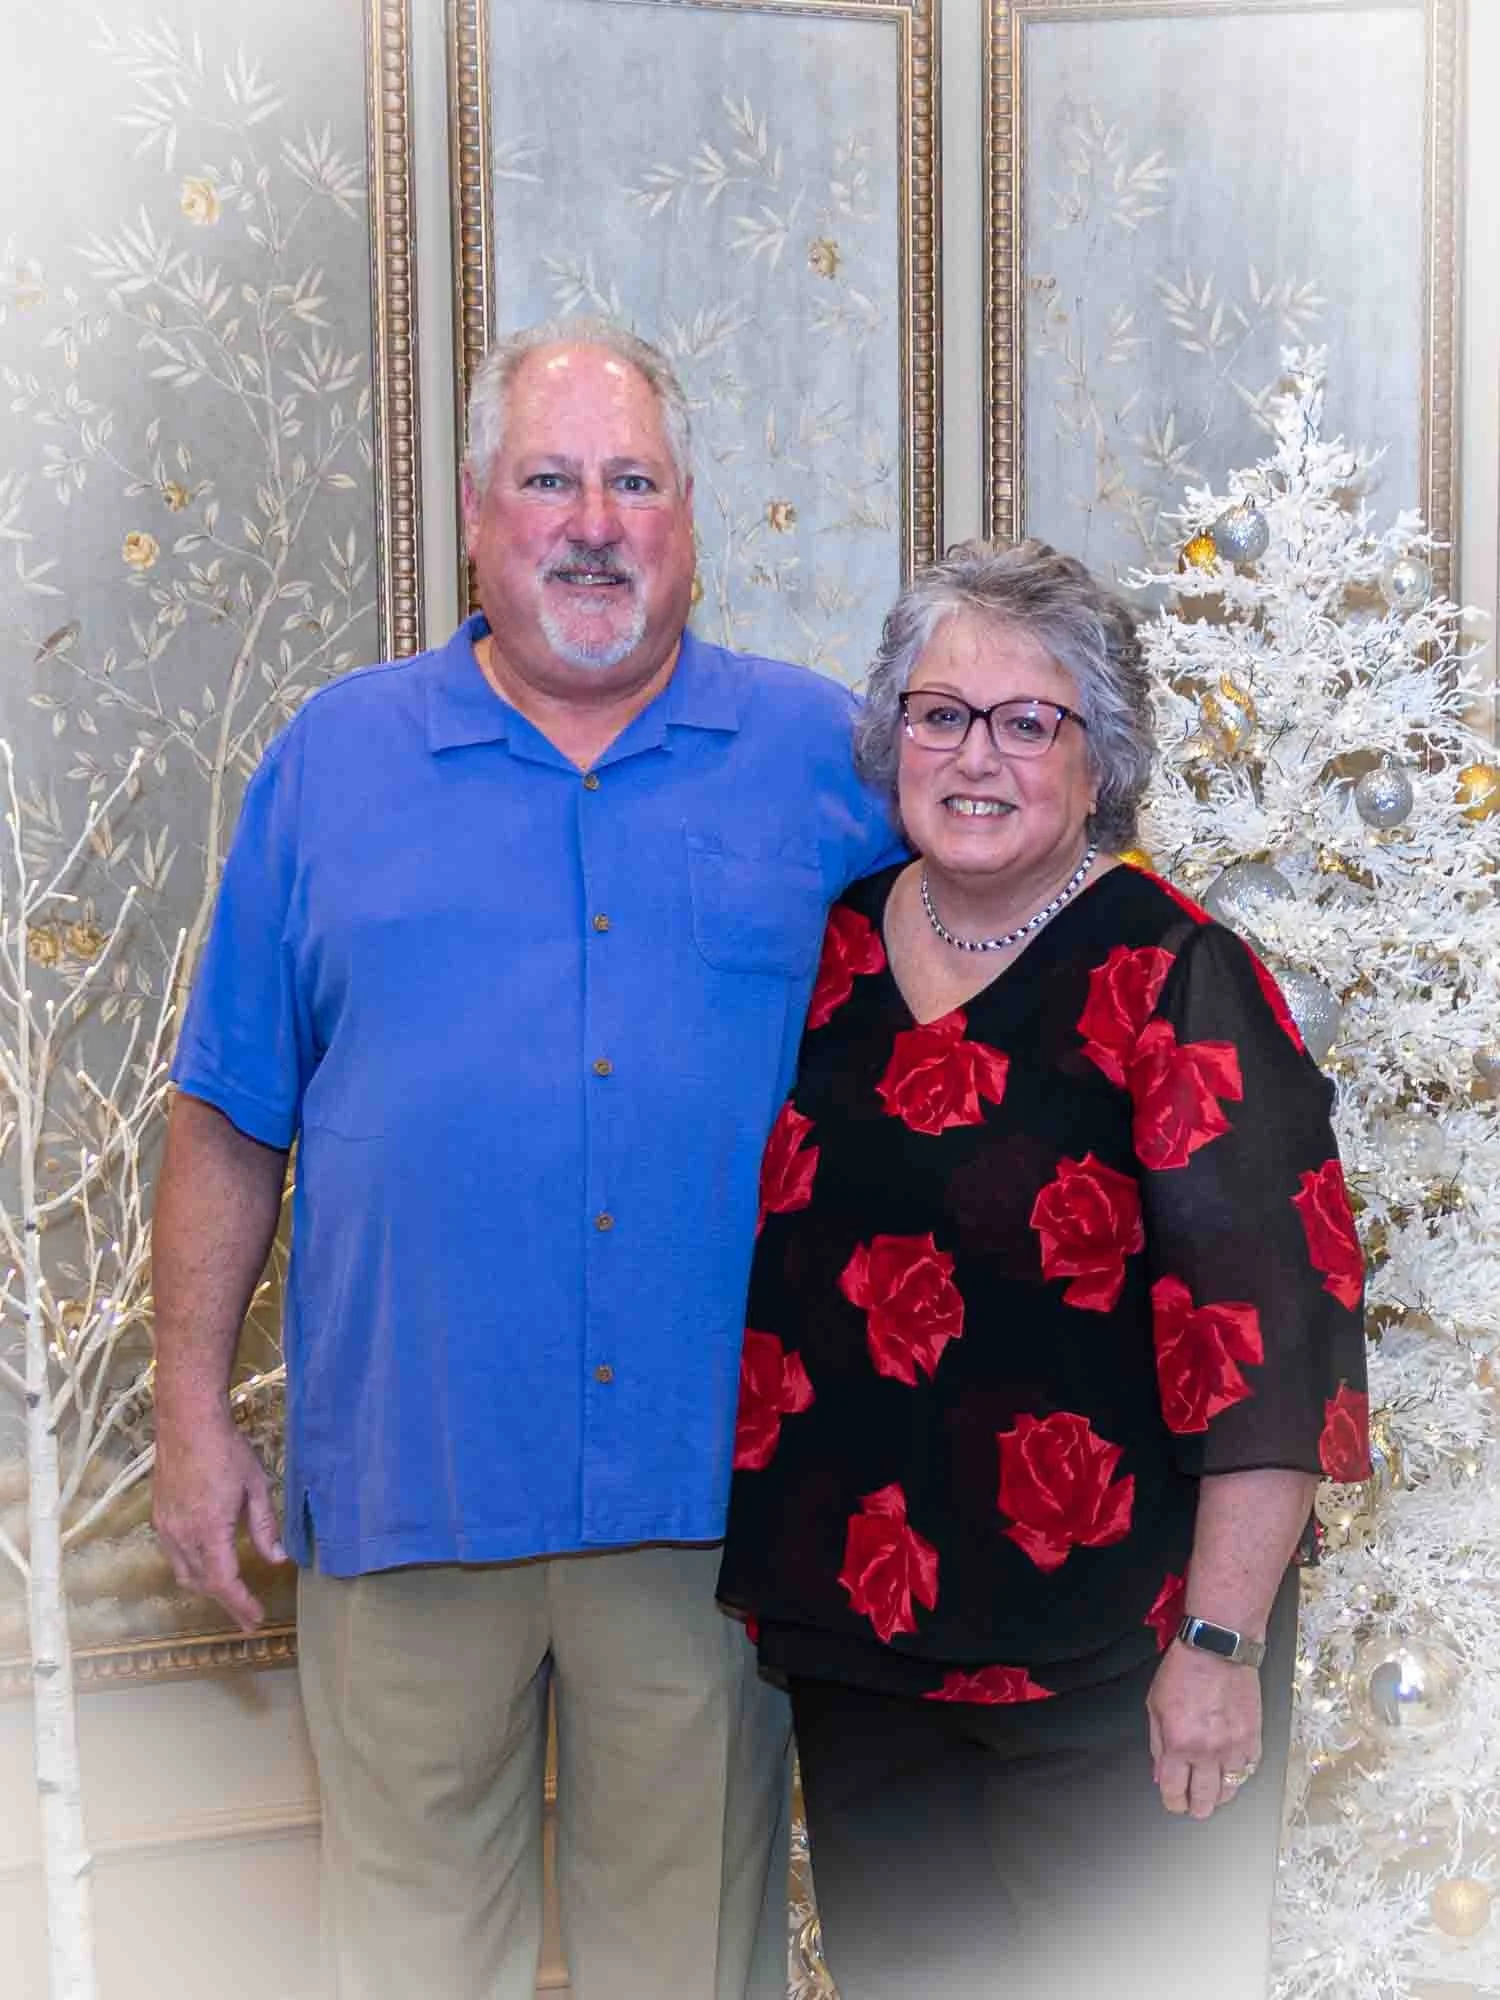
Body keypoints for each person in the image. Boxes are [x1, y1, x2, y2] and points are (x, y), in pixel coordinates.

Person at [149, 316, 903, 2000]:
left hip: (706, 1508)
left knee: (683, 1969)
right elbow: (226, 1114)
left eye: (632, 481)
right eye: (550, 479)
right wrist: (191, 1415)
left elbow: (988, 996)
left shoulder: (824, 766)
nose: (592, 520)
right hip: (408, 1486)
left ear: (689, 516)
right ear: (477, 514)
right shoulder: (332, 762)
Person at [717, 539, 1370, 2000]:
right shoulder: (833, 950)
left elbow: (1272, 1347)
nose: (977, 755)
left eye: (1029, 721)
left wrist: (1218, 1642)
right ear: (894, 740)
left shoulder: (1175, 972)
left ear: (1100, 759)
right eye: (941, 714)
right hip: (865, 1651)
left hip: (1120, 1671)